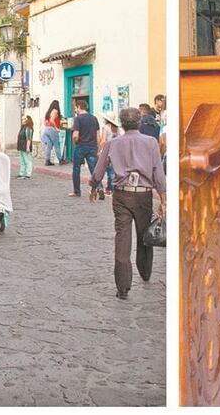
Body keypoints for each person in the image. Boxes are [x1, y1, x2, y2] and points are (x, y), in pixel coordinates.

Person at [89, 107, 166, 299]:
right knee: (144, 234)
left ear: (121, 124)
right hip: (143, 194)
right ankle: (145, 271)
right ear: (139, 122)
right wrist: (163, 198)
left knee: (122, 238)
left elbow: (99, 170)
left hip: (122, 195)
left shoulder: (112, 144)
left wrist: (93, 186)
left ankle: (122, 287)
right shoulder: (151, 143)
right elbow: (158, 172)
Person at [70, 100, 100, 198]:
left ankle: (77, 191)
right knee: (94, 169)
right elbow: (98, 136)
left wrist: (75, 142)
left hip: (81, 146)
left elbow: (75, 135)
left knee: (76, 169)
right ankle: (99, 188)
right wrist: (98, 148)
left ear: (79, 107)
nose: (75, 109)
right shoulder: (94, 118)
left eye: (75, 108)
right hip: (92, 147)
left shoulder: (78, 119)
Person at [97, 111, 122, 194]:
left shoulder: (106, 127)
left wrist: (99, 150)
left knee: (105, 170)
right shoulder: (117, 128)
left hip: (108, 151)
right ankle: (111, 188)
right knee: (113, 171)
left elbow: (103, 140)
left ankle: (107, 188)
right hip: (116, 151)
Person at [41, 101, 63, 166]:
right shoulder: (55, 110)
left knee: (49, 145)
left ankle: (47, 160)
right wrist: (56, 128)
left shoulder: (48, 112)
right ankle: (60, 160)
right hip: (52, 129)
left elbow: (45, 121)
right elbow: (52, 120)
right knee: (56, 145)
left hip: (46, 129)